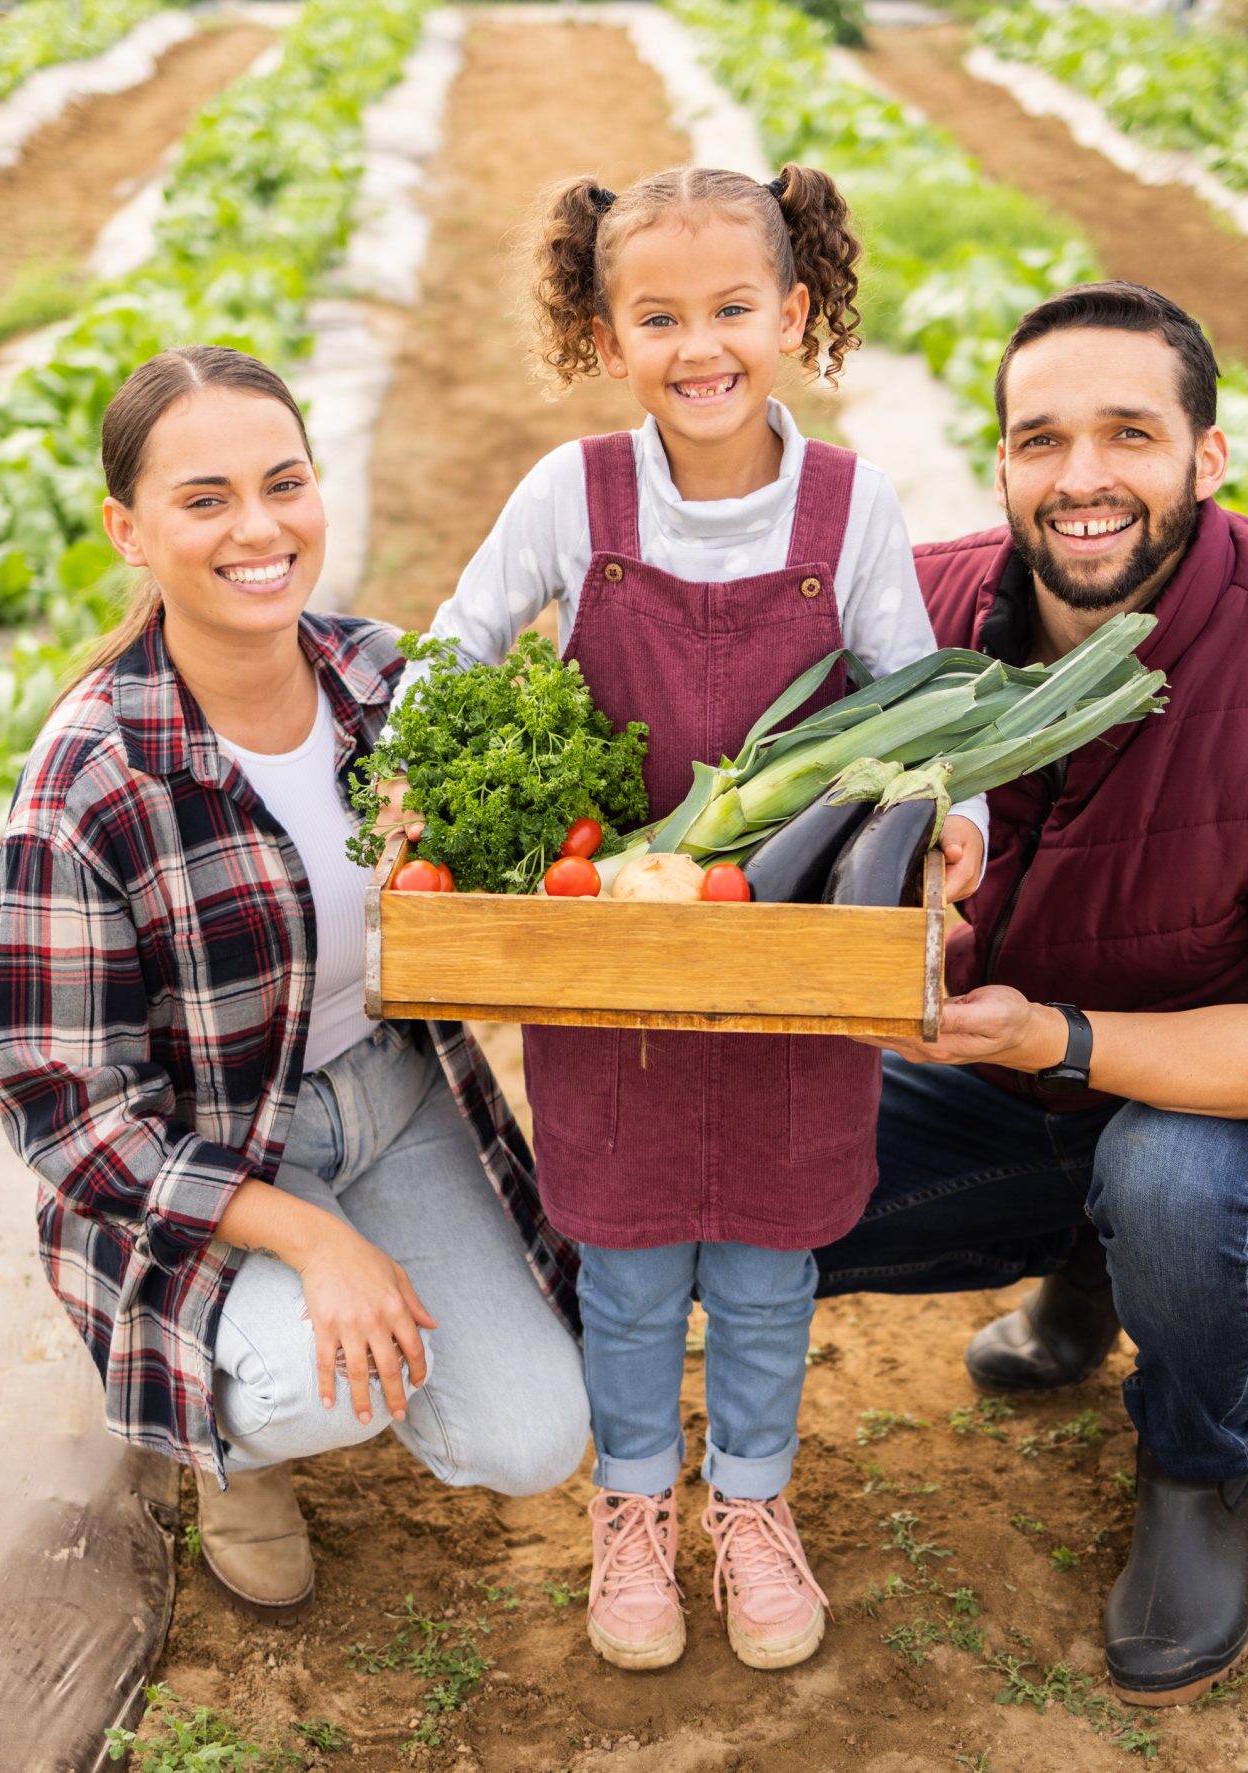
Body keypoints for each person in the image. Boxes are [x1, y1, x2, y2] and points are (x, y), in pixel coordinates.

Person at [817, 281, 1248, 1707]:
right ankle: (1087, 1267)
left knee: (1173, 1180)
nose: (1082, 477)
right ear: (1003, 465)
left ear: (1205, 458)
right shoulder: (926, 614)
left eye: (1128, 435)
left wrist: (1059, 1037)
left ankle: (1198, 1469)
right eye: (1042, 440)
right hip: (1001, 1078)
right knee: (764, 1175)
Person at [406, 164, 987, 1674]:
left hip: (791, 946)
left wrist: (953, 835)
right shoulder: (572, 495)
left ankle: (752, 1501)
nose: (699, 344)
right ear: (606, 338)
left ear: (794, 314)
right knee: (629, 1251)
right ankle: (632, 1503)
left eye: (733, 308)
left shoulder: (849, 502)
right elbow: (455, 646)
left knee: (768, 1258)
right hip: (611, 945)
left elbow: (918, 701)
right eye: (657, 316)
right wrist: (410, 775)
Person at [0, 346, 590, 1619]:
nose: (257, 530)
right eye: (204, 500)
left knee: (535, 1440)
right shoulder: (92, 778)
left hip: (396, 1093)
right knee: (312, 1387)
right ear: (130, 532)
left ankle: (318, 1320)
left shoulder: (385, 682)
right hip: (215, 1150)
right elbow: (62, 1110)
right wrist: (308, 1237)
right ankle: (233, 1449)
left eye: (284, 484)